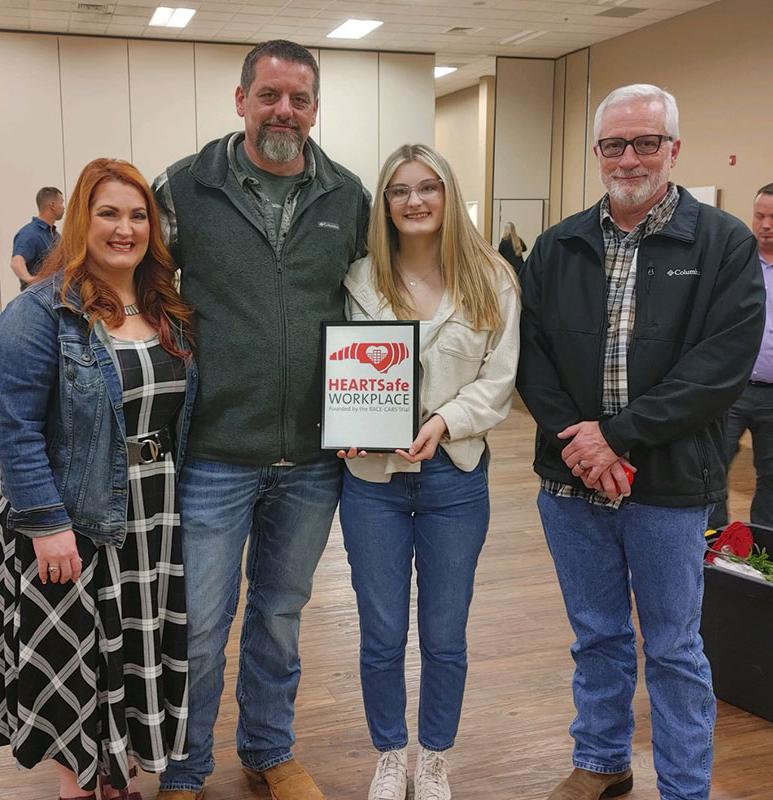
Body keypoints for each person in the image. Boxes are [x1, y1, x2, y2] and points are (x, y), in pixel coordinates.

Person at [517, 84, 765, 800]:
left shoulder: (722, 243)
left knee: (675, 647)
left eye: (646, 142)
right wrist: (583, 449)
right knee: (596, 634)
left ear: (673, 149)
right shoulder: (558, 245)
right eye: (614, 145)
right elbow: (531, 359)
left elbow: (719, 368)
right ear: (596, 153)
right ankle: (600, 761)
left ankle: (684, 788)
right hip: (571, 483)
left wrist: (616, 440)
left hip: (669, 481)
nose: (630, 158)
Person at [152, 39, 370, 800]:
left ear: (315, 108)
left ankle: (269, 750)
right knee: (202, 627)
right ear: (240, 99)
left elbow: (371, 307)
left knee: (280, 616)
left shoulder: (347, 195)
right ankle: (184, 765)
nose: (284, 111)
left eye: (299, 99)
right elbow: (140, 282)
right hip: (215, 452)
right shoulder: (183, 186)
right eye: (270, 95)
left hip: (313, 459)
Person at [0, 158, 197, 800]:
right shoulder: (39, 313)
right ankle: (80, 784)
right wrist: (47, 527)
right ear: (80, 221)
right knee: (79, 668)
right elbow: (15, 429)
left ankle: (122, 780)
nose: (125, 228)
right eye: (108, 213)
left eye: (138, 215)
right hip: (72, 519)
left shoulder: (170, 311)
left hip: (154, 519)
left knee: (135, 653)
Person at [338, 144, 520, 800]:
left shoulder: (493, 279)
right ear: (383, 205)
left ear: (448, 196)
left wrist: (442, 422)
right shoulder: (359, 280)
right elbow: (341, 369)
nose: (414, 201)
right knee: (382, 631)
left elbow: (499, 380)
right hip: (372, 486)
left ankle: (435, 755)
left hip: (454, 478)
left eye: (428, 188)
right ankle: (390, 753)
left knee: (444, 633)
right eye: (399, 191)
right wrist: (347, 423)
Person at [709, 183, 773, 530]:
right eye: (759, 216)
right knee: (713, 467)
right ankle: (715, 546)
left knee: (772, 476)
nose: (765, 225)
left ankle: (765, 554)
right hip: (731, 390)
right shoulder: (734, 259)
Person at [11, 185, 65, 288]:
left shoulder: (56, 237)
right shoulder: (29, 233)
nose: (63, 207)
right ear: (52, 205)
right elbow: (17, 261)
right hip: (39, 299)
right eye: (61, 203)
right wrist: (29, 279)